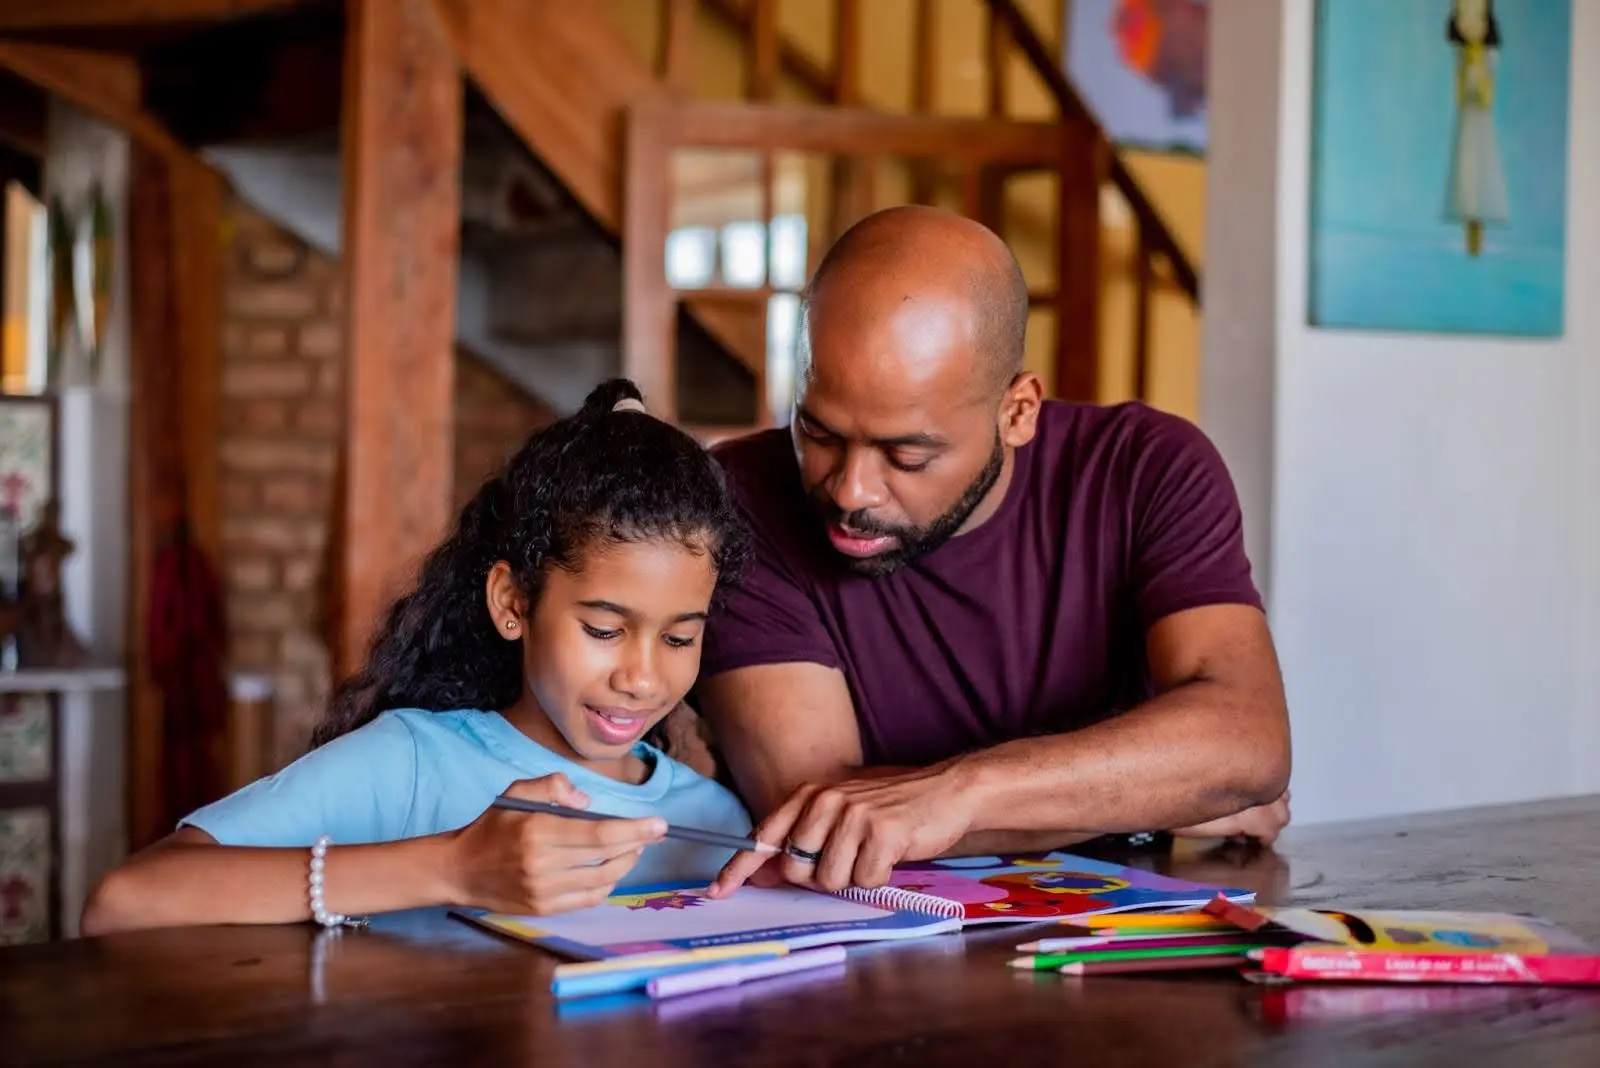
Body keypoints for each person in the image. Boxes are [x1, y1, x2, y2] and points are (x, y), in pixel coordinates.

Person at [695, 206, 1292, 898]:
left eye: (906, 453)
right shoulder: (740, 498)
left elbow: (1248, 742)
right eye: (819, 431)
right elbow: (818, 812)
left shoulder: (1150, 471)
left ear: (1018, 411)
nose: (851, 489)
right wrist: (1154, 807)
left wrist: (964, 793)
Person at [82, 380, 753, 935]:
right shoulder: (410, 763)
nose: (641, 677)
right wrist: (452, 866)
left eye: (678, 638)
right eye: (604, 630)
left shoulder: (716, 825)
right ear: (513, 602)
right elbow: (125, 903)